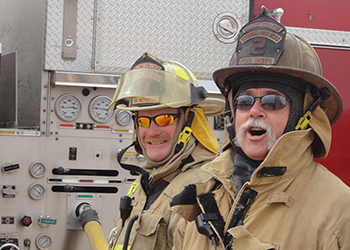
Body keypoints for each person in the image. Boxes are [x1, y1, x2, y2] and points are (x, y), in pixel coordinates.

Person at [170, 7, 350, 250]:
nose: (255, 110)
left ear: (302, 116)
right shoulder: (201, 196)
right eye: (244, 101)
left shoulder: (339, 211)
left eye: (272, 101)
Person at [107, 52, 225, 250]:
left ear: (189, 122)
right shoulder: (148, 180)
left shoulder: (201, 189)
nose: (152, 131)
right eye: (143, 121)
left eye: (165, 119)